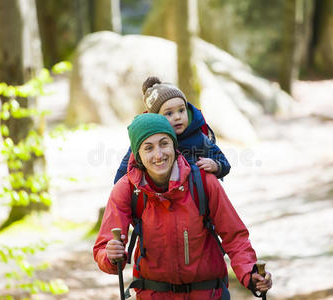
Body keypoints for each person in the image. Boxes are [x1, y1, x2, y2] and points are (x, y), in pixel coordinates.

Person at [94, 113, 272, 299]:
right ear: (137, 154)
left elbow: (235, 236)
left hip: (208, 294)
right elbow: (103, 247)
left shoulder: (203, 182)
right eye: (148, 148)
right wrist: (110, 255)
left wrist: (250, 274)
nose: (158, 154)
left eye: (164, 143)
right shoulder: (127, 189)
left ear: (174, 145)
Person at [113, 76, 230, 184]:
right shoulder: (146, 140)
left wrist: (216, 165)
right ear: (156, 118)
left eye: (181, 110)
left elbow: (223, 162)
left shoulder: (197, 136)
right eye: (169, 113)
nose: (177, 117)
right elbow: (125, 169)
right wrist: (119, 192)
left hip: (192, 195)